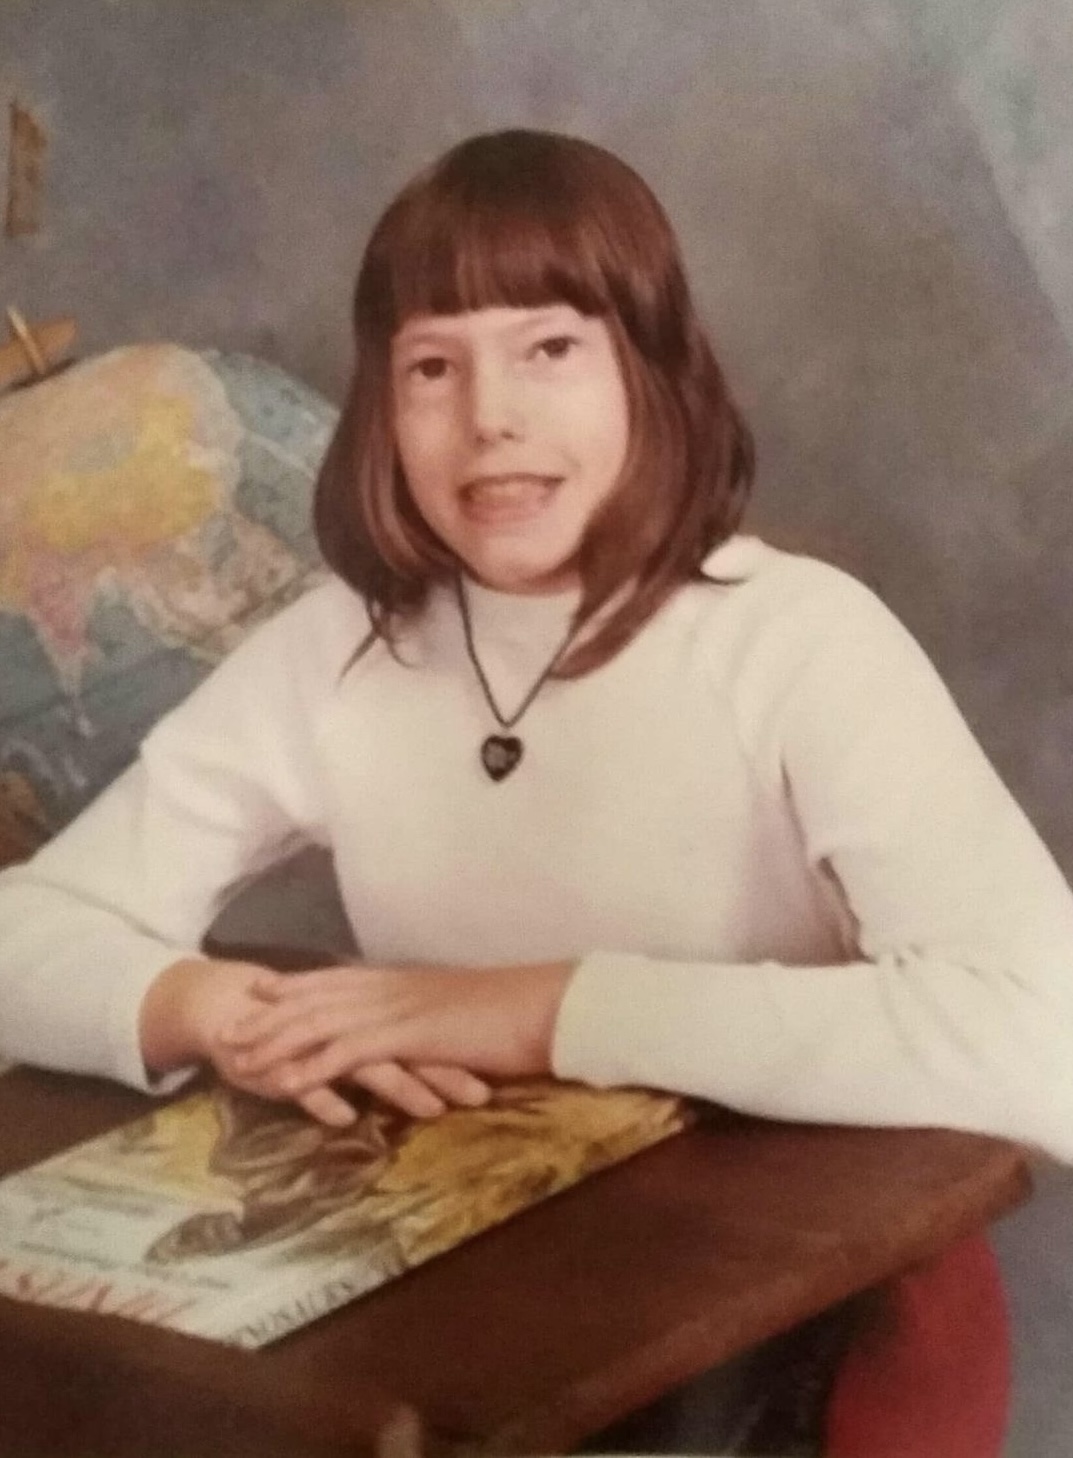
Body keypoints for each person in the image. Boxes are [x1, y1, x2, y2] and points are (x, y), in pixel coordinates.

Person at [3, 125, 1072, 1457]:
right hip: (490, 1309)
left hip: (809, 1334)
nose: (488, 415)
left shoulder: (795, 637)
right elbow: (20, 938)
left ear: (652, 371)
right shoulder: (338, 649)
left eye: (548, 348)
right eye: (432, 366)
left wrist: (538, 1006)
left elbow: (1044, 1033)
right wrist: (207, 1005)